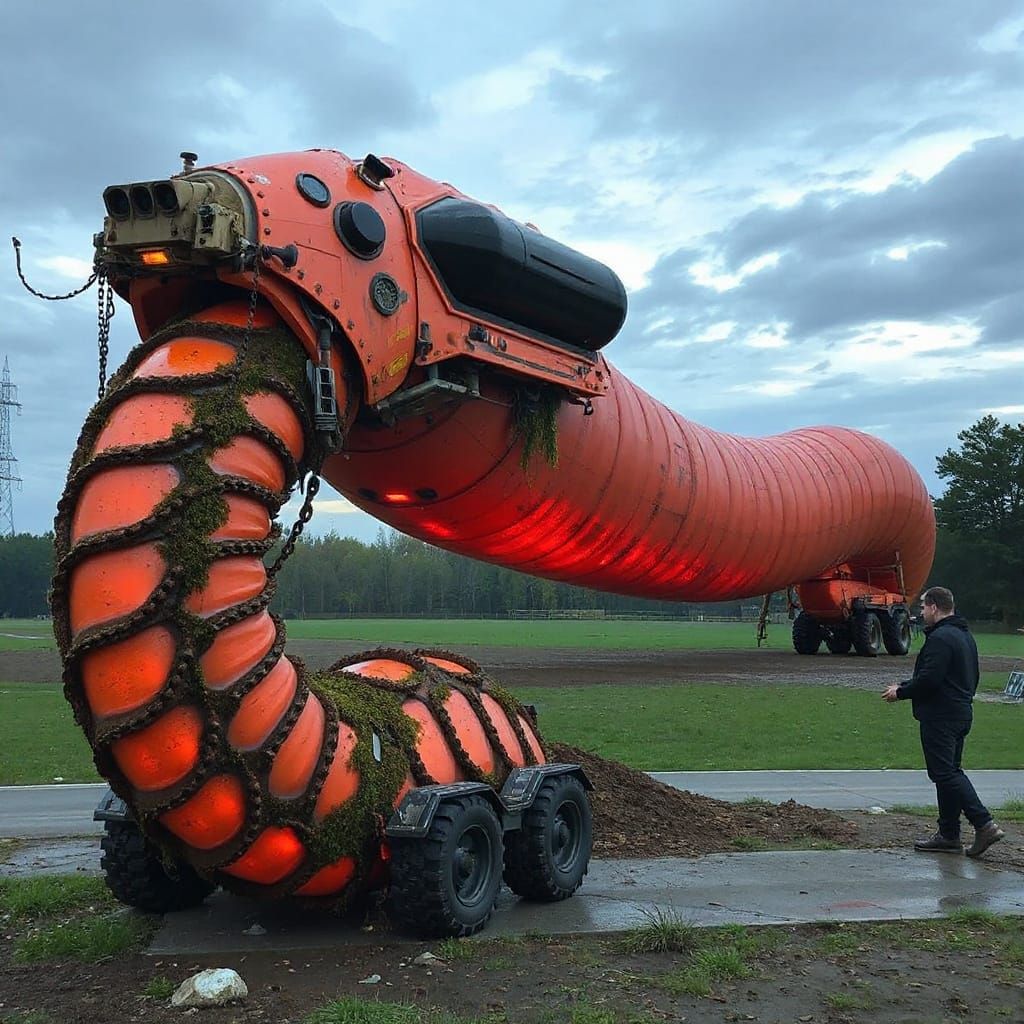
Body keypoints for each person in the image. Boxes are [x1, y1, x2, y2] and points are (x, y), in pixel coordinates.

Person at [882, 586, 1005, 858]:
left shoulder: (940, 638)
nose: (922, 611)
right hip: (961, 711)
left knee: (944, 773)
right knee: (949, 771)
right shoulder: (964, 636)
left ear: (935, 607)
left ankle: (983, 823)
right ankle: (949, 835)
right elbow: (964, 677)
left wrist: (900, 692)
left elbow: (930, 680)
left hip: (941, 716)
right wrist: (906, 684)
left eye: (924, 607)